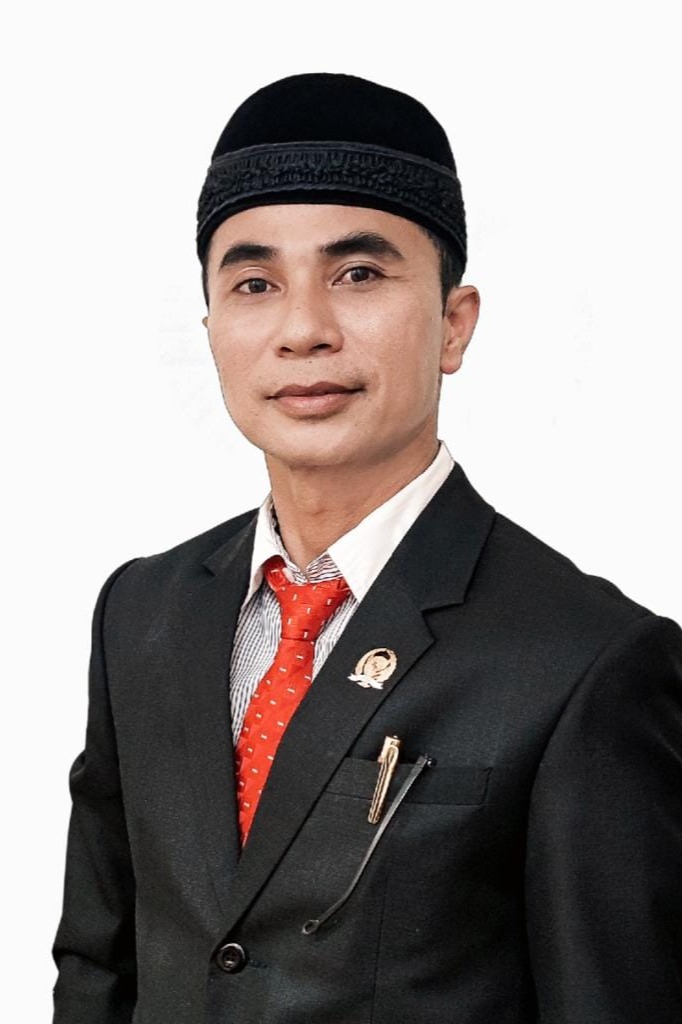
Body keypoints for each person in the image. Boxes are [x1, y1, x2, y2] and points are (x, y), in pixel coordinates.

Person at [52, 73, 682, 1024]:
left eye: (359, 274)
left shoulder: (587, 661)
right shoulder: (142, 611)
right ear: (213, 329)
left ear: (454, 324)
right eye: (255, 284)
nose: (304, 330)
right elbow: (99, 963)